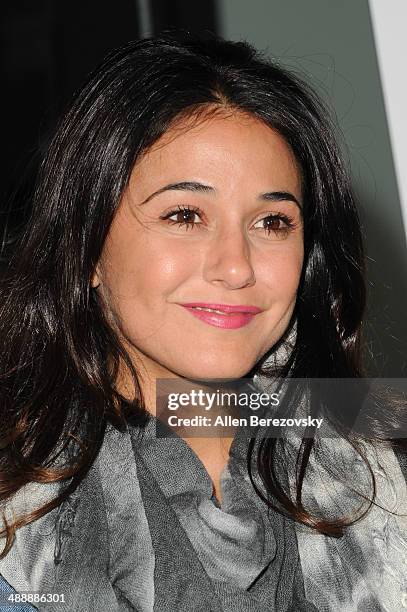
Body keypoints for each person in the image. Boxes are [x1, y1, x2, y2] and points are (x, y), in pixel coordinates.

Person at [0, 32, 406, 612]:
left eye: (272, 222)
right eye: (185, 215)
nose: (237, 266)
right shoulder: (18, 527)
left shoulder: (383, 476)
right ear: (87, 249)